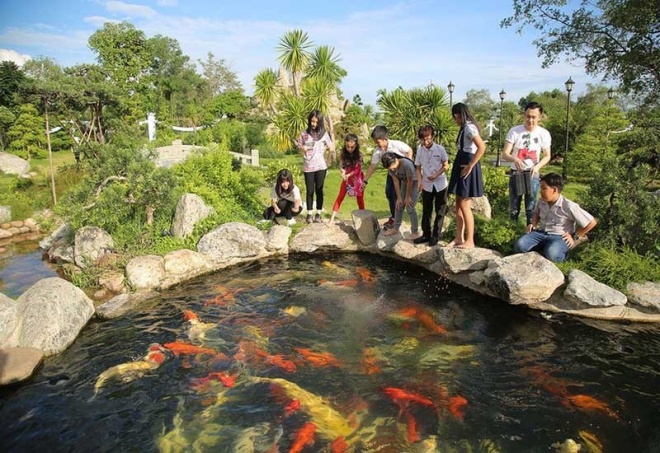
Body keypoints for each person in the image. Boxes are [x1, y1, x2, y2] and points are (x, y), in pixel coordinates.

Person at [513, 172, 597, 262]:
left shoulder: (569, 206)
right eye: (541, 188)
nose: (540, 192)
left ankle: (558, 251)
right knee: (520, 246)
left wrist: (575, 236)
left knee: (552, 254)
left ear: (554, 190)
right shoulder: (541, 201)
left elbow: (591, 222)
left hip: (559, 237)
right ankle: (544, 249)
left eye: (544, 188)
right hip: (540, 233)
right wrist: (533, 223)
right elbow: (536, 213)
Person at [501, 101, 552, 228]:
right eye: (528, 116)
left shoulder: (544, 134)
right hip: (516, 173)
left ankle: (530, 230)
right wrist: (515, 159)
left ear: (539, 117)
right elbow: (505, 154)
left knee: (531, 206)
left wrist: (537, 166)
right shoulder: (514, 131)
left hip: (532, 173)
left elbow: (547, 156)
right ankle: (512, 231)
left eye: (534, 117)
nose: (530, 120)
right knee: (514, 206)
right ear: (524, 115)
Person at [447, 103, 486, 249]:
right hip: (461, 161)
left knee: (464, 203)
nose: (454, 119)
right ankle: (459, 237)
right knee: (458, 203)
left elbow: (481, 147)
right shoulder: (464, 128)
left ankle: (470, 240)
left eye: (454, 116)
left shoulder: (470, 127)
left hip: (466, 164)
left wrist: (470, 165)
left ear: (458, 115)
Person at [363, 125, 413, 230]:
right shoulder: (377, 151)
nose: (376, 144)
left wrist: (406, 166)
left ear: (385, 139)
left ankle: (396, 219)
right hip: (392, 172)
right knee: (389, 193)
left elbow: (409, 150)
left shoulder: (396, 144)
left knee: (397, 195)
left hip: (402, 171)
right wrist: (365, 181)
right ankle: (393, 216)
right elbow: (372, 166)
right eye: (375, 142)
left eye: (378, 141)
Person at [414, 125, 450, 246]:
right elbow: (418, 168)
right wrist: (419, 181)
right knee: (426, 210)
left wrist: (436, 174)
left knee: (440, 210)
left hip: (440, 184)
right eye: (423, 139)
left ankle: (436, 235)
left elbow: (446, 165)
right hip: (426, 185)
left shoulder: (440, 149)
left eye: (428, 138)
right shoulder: (420, 150)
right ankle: (426, 234)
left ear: (433, 136)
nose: (426, 142)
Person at [296, 110, 334, 223]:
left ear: (320, 122)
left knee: (319, 190)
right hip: (308, 166)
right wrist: (302, 148)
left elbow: (331, 148)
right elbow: (299, 145)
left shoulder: (324, 134)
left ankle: (318, 213)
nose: (313, 124)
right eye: (312, 121)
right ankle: (309, 214)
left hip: (321, 166)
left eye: (316, 122)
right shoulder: (304, 133)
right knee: (310, 191)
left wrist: (327, 161)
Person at [380, 152, 420, 239]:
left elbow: (410, 181)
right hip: (404, 182)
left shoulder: (406, 164)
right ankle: (395, 228)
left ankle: (415, 232)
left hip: (415, 183)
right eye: (390, 168)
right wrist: (399, 198)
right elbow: (396, 181)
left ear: (395, 160)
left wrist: (407, 197)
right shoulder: (391, 168)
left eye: (393, 167)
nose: (392, 170)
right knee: (398, 204)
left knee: (410, 207)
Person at [329, 134, 365, 224]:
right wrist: (343, 172)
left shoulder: (360, 155)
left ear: (356, 145)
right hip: (347, 180)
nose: (349, 149)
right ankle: (332, 219)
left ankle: (363, 218)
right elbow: (341, 165)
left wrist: (348, 174)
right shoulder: (343, 154)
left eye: (352, 147)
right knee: (340, 197)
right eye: (347, 147)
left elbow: (357, 169)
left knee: (360, 199)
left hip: (358, 180)